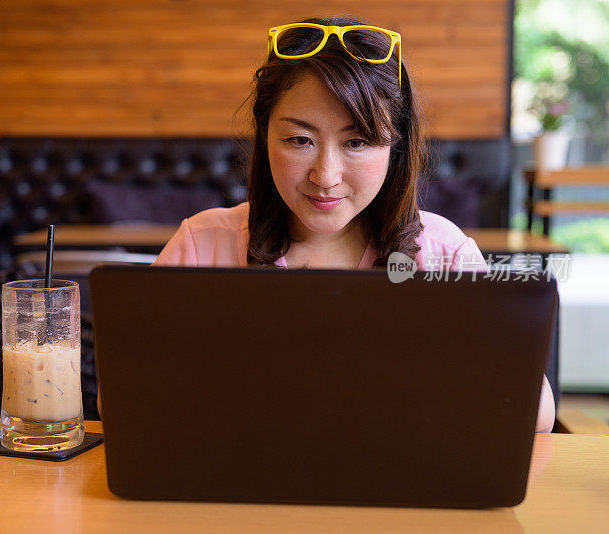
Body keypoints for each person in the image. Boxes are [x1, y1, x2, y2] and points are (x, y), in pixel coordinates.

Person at [152, 15, 555, 432]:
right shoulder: (202, 246)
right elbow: (123, 395)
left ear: (395, 146)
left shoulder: (441, 253)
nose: (325, 176)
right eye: (299, 140)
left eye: (357, 142)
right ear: (264, 135)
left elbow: (537, 413)